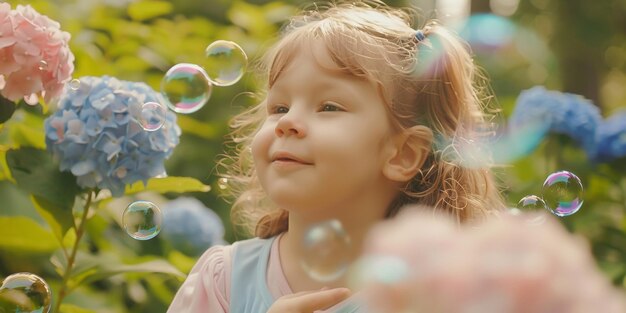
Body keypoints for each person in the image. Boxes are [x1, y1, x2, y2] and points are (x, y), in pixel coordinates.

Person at [167, 1, 504, 312]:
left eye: (328, 107)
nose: (286, 122)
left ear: (403, 154)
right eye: (279, 107)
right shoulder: (224, 281)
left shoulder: (440, 295)